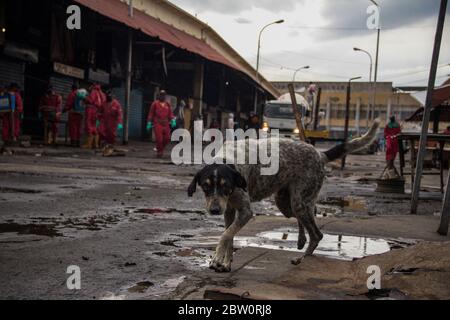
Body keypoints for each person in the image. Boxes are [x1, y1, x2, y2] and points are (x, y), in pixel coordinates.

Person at [146, 90, 176, 158]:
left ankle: (159, 148)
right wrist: (149, 122)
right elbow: (151, 114)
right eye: (161, 95)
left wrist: (173, 120)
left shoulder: (167, 104)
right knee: (159, 139)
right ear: (159, 96)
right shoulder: (155, 104)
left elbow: (170, 114)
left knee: (167, 138)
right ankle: (160, 152)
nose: (162, 96)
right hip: (158, 123)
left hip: (166, 123)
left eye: (163, 95)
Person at [83, 83, 105, 149]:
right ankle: (95, 144)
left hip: (90, 110)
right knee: (94, 126)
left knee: (88, 124)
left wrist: (85, 98)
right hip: (96, 111)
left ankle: (88, 144)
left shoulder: (93, 91)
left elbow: (90, 100)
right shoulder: (101, 93)